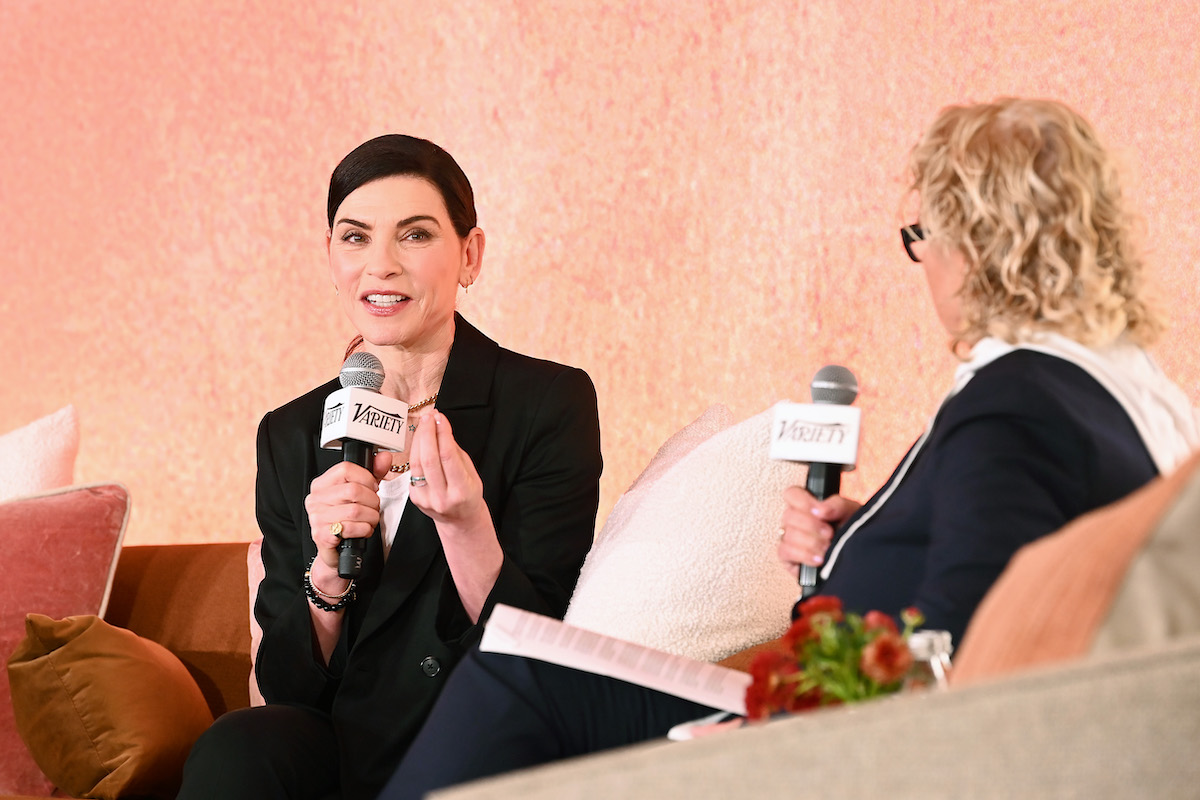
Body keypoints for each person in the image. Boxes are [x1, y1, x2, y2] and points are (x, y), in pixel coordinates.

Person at [376, 98, 1200, 799]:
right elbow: (987, 558)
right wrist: (857, 536)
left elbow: (947, 650)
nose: (924, 266)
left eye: (922, 236)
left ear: (978, 241)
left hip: (822, 739)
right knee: (530, 673)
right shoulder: (1126, 396)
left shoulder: (1015, 401)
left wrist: (760, 732)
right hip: (822, 711)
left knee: (517, 682)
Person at [176, 134, 603, 800]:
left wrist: (465, 527)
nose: (380, 266)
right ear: (330, 257)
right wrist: (324, 575)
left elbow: (539, 652)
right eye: (354, 238)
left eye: (414, 235)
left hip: (474, 727)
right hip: (341, 744)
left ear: (470, 255)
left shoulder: (546, 401)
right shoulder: (290, 433)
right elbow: (288, 687)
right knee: (240, 748)